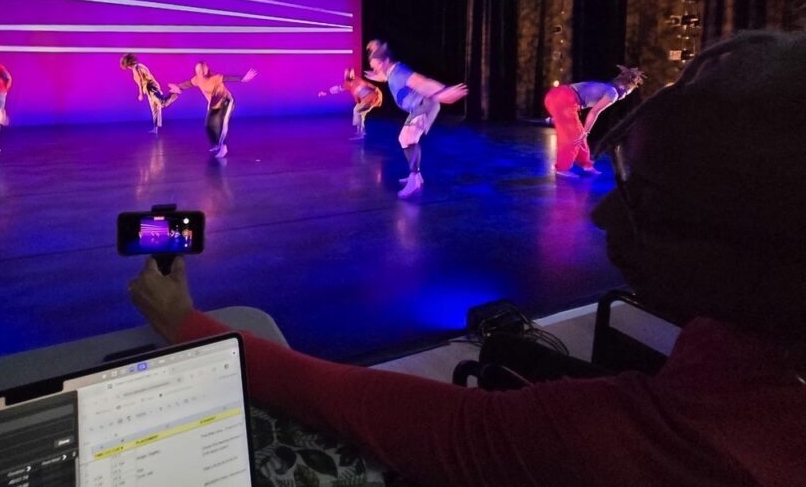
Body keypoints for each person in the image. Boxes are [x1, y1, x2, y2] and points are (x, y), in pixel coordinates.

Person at [130, 31, 806, 486]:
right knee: (404, 143)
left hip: (423, 112)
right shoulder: (747, 358)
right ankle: (413, 170)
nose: (604, 215)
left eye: (643, 192)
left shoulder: (650, 443)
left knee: (407, 145)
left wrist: (187, 324)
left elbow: (396, 415)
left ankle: (413, 173)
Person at [363, 40, 467, 198]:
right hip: (418, 107)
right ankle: (416, 176)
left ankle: (414, 180)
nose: (374, 69)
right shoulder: (390, 71)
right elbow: (384, 76)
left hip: (425, 105)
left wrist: (443, 92)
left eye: (376, 65)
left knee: (407, 138)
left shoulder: (400, 72)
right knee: (406, 140)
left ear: (385, 61)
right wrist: (376, 54)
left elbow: (422, 82)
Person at [543, 66, 645, 178]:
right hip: (563, 99)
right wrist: (586, 132)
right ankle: (561, 168)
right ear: (623, 87)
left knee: (579, 136)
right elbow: (594, 112)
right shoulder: (613, 93)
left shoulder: (607, 88)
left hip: (556, 96)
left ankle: (587, 165)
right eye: (628, 92)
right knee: (575, 137)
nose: (626, 95)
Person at [168, 62, 256, 159]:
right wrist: (178, 87)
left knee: (222, 124)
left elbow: (228, 78)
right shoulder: (197, 79)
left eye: (203, 69)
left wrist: (243, 78)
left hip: (226, 101)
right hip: (213, 104)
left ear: (207, 69)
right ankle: (216, 144)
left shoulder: (215, 77)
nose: (202, 72)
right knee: (209, 125)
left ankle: (223, 147)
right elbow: (188, 84)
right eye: (199, 71)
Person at [318, 67, 383, 140]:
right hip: (368, 99)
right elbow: (338, 89)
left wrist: (377, 94)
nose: (346, 75)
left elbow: (371, 87)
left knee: (357, 111)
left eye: (348, 74)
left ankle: (360, 133)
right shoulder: (348, 84)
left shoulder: (357, 81)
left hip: (371, 98)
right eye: (346, 74)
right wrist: (326, 92)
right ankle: (361, 131)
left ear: (352, 75)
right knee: (359, 112)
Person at [120, 54, 178, 134]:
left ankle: (174, 93)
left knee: (162, 104)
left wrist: (141, 94)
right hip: (150, 89)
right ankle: (155, 128)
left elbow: (140, 82)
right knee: (155, 109)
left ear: (128, 64)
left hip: (150, 88)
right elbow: (146, 79)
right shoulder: (139, 66)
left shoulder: (136, 68)